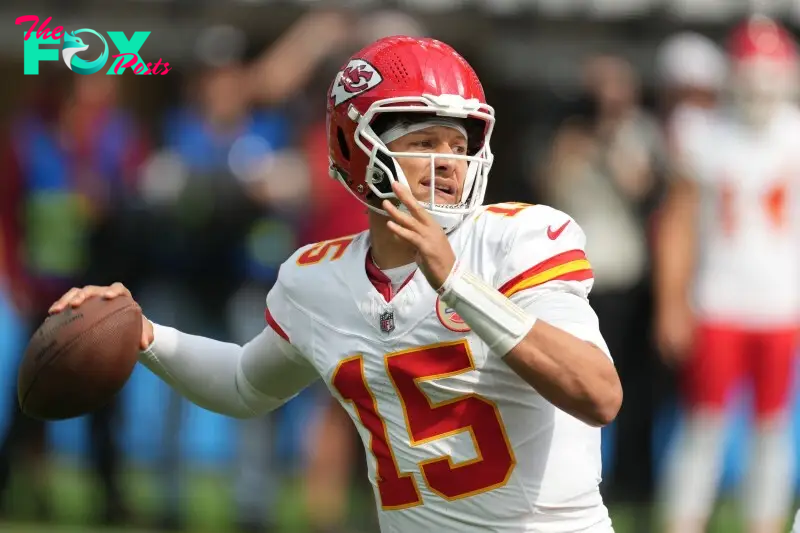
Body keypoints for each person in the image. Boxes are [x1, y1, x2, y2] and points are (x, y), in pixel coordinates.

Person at [49, 36, 622, 533]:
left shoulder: (519, 240)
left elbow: (598, 393)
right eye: (425, 142)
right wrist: (143, 335)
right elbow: (245, 385)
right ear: (358, 145)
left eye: (460, 143)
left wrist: (457, 283)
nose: (451, 162)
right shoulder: (318, 279)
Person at [656, 16, 800, 533]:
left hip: (782, 304)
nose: (761, 87)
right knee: (705, 426)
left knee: (773, 429)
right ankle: (682, 521)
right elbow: (677, 223)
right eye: (753, 74)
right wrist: (672, 302)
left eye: (770, 75)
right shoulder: (704, 133)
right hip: (718, 299)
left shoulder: (792, 132)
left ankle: (764, 523)